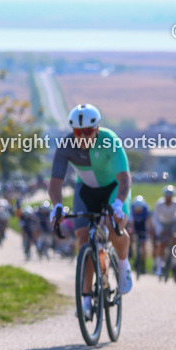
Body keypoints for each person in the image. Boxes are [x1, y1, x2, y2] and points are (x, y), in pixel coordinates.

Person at [48, 104, 133, 320]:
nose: (83, 135)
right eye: (79, 132)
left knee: (115, 228)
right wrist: (57, 205)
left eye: (88, 131)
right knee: (83, 238)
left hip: (113, 189)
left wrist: (118, 204)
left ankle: (123, 265)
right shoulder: (66, 145)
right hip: (86, 191)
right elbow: (55, 182)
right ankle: (86, 298)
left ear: (97, 128)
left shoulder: (109, 140)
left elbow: (124, 179)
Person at [151, 185, 176, 277]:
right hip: (162, 223)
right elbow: (155, 218)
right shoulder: (159, 204)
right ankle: (159, 267)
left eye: (170, 196)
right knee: (161, 243)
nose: (169, 198)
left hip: (173, 223)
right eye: (167, 196)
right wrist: (159, 229)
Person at [130, 195, 150, 275]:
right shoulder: (131, 207)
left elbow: (148, 221)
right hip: (134, 225)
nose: (138, 211)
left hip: (142, 226)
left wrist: (147, 230)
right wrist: (131, 230)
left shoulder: (146, 208)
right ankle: (130, 250)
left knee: (143, 245)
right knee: (130, 236)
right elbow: (130, 219)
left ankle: (143, 264)